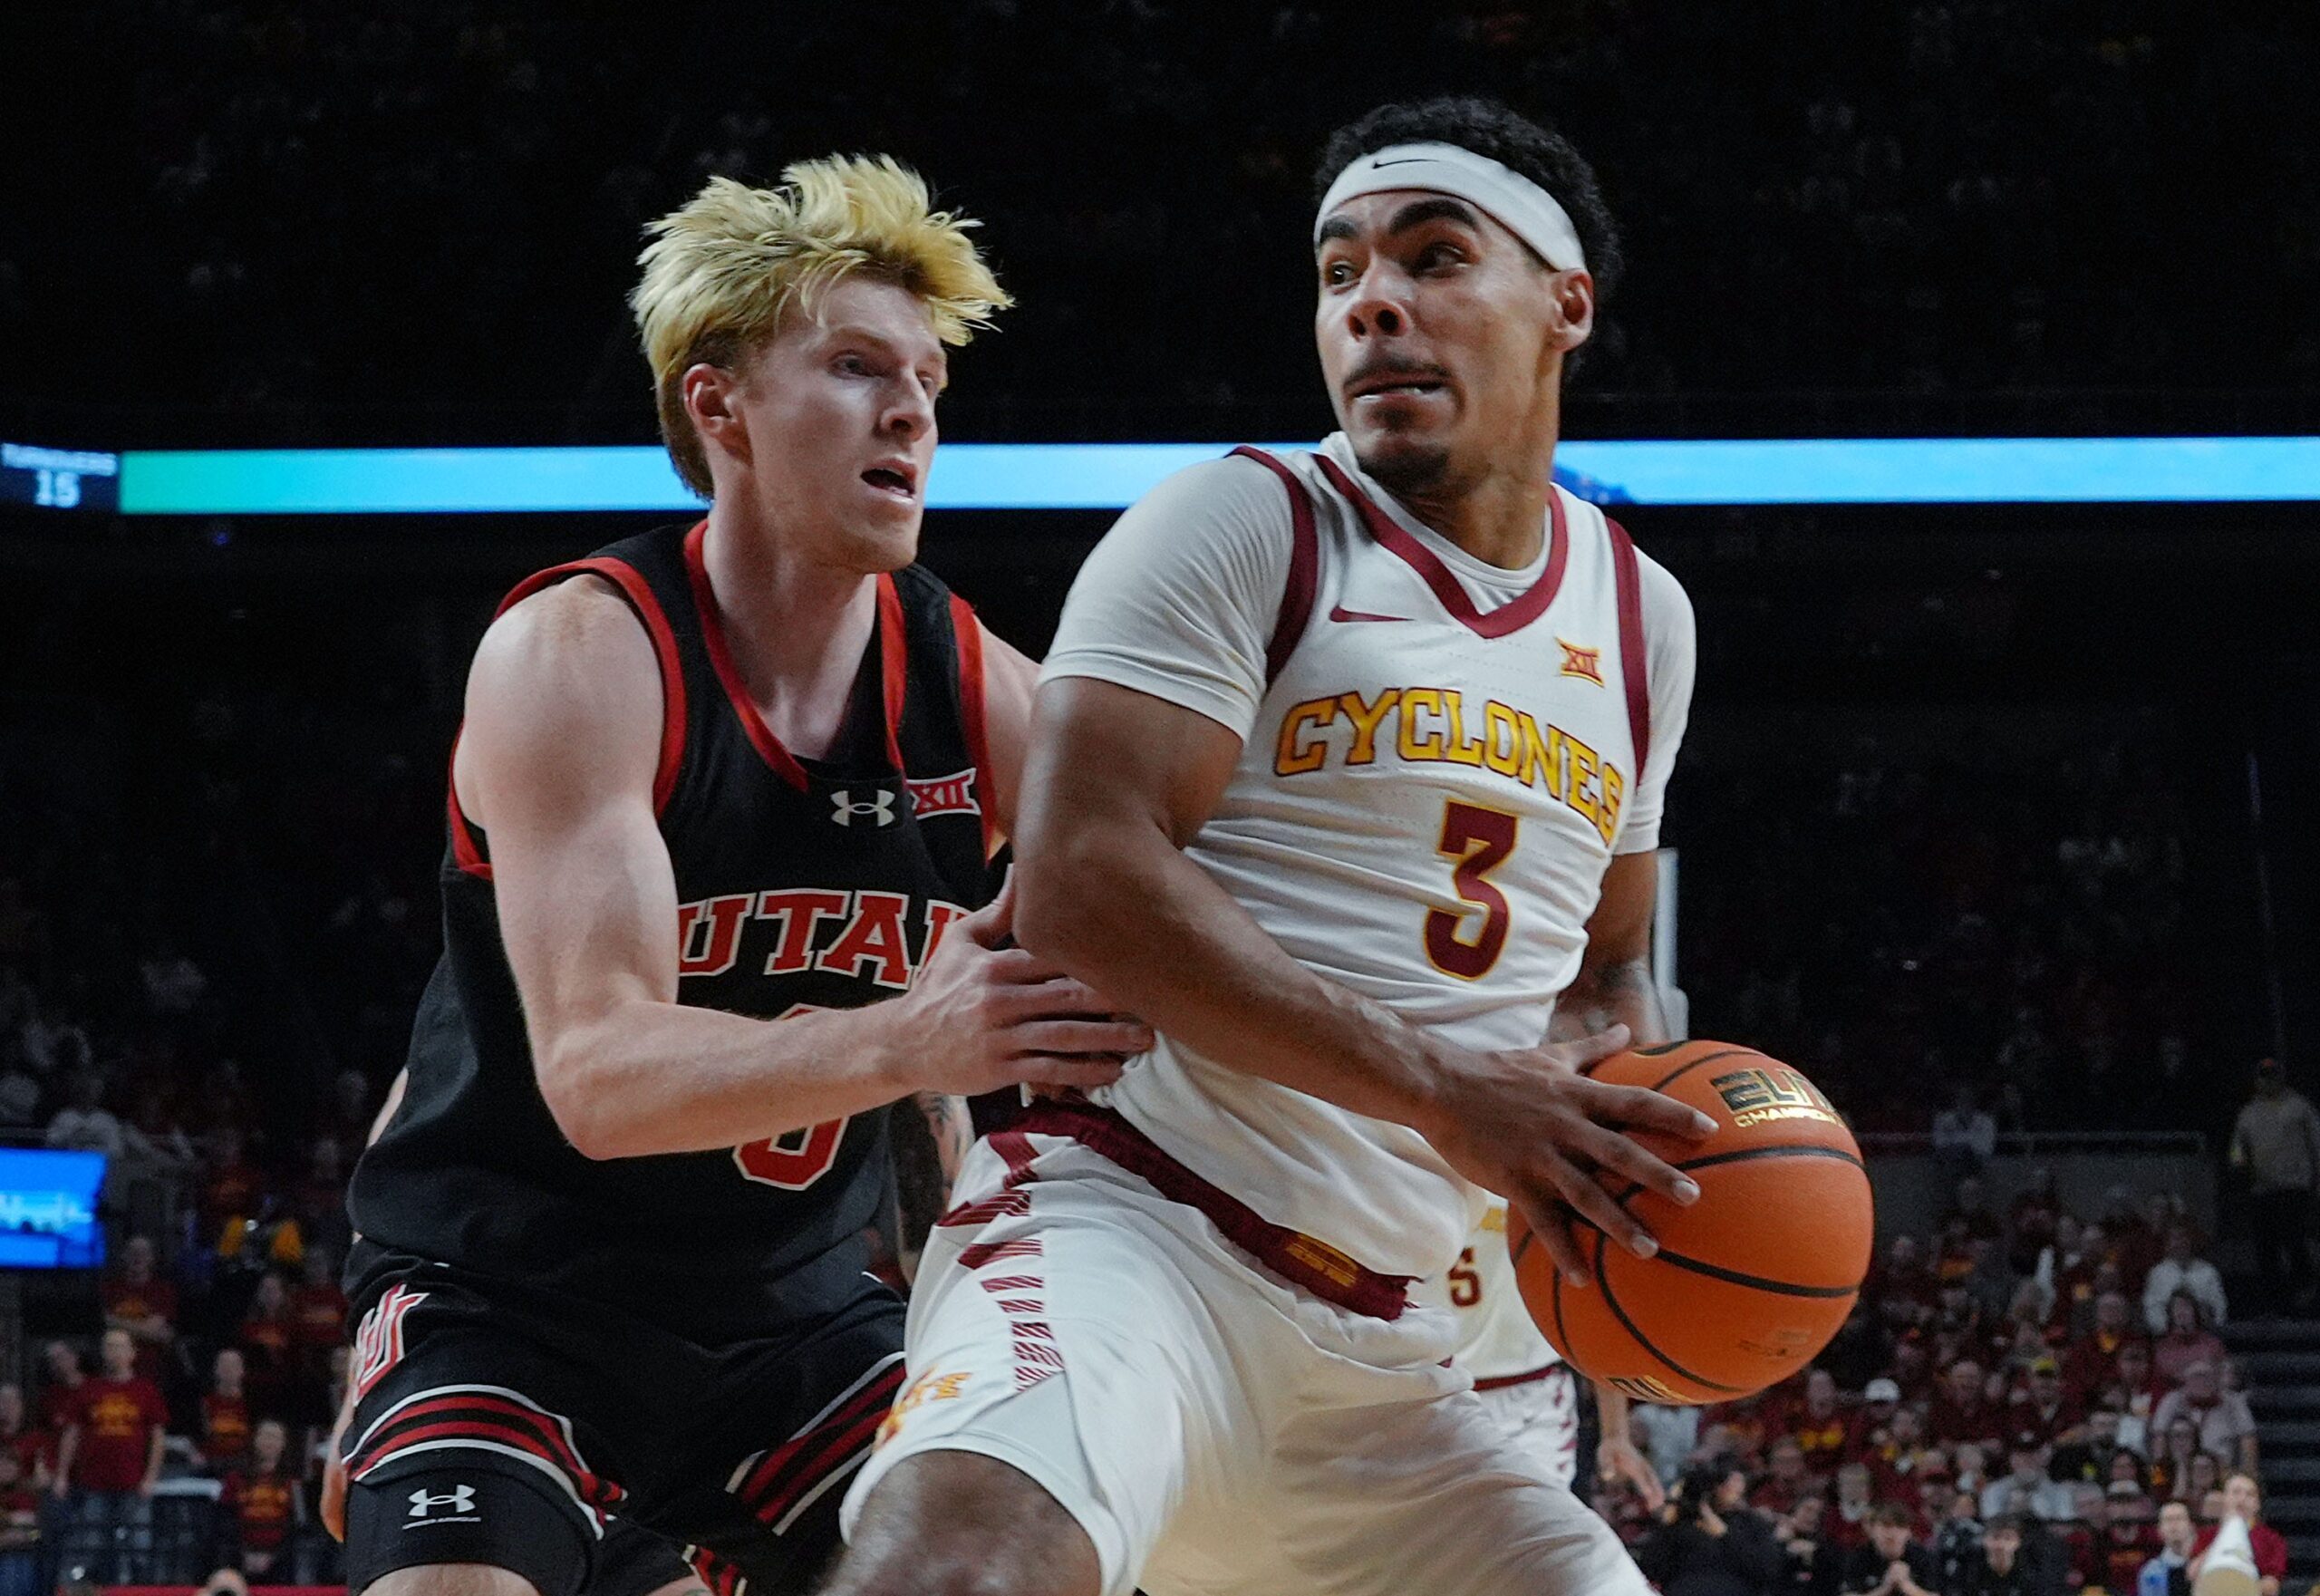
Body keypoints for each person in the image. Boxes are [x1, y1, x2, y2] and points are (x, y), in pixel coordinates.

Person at [833, 93, 1712, 1596]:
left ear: (1566, 305)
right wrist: (1448, 1089)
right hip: (1135, 1234)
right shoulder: (1240, 521)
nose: (1374, 301)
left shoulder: (1643, 620)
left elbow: (1609, 966)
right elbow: (1084, 883)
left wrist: (1641, 1181)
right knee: (960, 1565)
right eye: (1340, 271)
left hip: (1401, 1359)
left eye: (1436, 257)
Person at [332, 155, 1146, 1596]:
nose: (913, 412)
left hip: (792, 1319)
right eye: (856, 367)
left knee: (1006, 1552)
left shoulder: (983, 693)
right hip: (509, 1297)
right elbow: (599, 1077)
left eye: (929, 381)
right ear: (719, 409)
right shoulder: (581, 654)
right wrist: (915, 1040)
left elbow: (1179, 942)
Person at [1412, 1197, 1664, 1506]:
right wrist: (1615, 1432)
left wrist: (1615, 1433)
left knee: (1541, 1525)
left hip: (1527, 1395)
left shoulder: (1540, 1186)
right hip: (1439, 1394)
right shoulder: (1409, 1186)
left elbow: (1590, 1309)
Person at [2229, 1058, 2320, 1312]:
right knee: (2265, 1245)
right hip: (2263, 1188)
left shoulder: (2300, 1107)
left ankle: (2305, 1287)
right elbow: (2237, 1148)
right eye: (2263, 1076)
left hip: (2294, 1186)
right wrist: (2238, 1163)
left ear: (2281, 1077)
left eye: (2272, 1076)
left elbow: (2317, 1143)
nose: (2268, 1082)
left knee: (2294, 1238)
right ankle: (2273, 1300)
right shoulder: (2248, 1113)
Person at [1636, 1465, 1786, 1596]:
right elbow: (1652, 1569)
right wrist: (1668, 1520)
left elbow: (1766, 1569)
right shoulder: (1681, 1524)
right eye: (1724, 1483)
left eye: (1735, 1482)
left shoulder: (1752, 1524)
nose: (1730, 1489)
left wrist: (1725, 1535)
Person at [218, 1418, 302, 1580]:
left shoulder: (293, 1482)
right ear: (254, 1440)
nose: (269, 1442)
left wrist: (274, 1557)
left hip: (281, 1562)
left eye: (275, 1437)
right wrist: (244, 1554)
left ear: (284, 1443)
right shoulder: (235, 1479)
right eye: (265, 1436)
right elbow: (225, 1523)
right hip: (240, 1559)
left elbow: (297, 1528)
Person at [2148, 1362, 2258, 1475]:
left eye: (2206, 1377)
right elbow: (2159, 1438)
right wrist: (2158, 1478)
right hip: (2181, 1471)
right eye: (2196, 1378)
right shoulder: (2172, 1400)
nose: (2202, 1383)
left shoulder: (2233, 1401)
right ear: (2186, 1381)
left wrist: (2249, 1476)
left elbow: (2248, 1437)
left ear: (2217, 1380)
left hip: (2222, 1469)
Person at [2185, 1473, 2285, 1596]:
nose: (2242, 1499)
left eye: (2250, 1494)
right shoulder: (2207, 1535)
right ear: (2224, 1498)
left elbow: (2271, 1586)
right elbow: (2192, 1573)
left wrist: (2236, 1586)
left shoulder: (2272, 1539)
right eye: (2236, 1492)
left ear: (2257, 1504)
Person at [1838, 1504, 1937, 1596]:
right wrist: (1884, 1588)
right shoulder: (1859, 1557)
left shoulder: (1922, 1557)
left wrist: (1907, 1585)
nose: (1892, 1533)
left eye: (1900, 1526)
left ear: (1908, 1532)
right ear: (1872, 1530)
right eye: (1886, 1526)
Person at [2141, 1229, 2227, 1334]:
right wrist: (2164, 1331)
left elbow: (2219, 1306)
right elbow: (2152, 1307)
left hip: (2204, 1334)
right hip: (2168, 1335)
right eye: (2175, 1239)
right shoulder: (2157, 1273)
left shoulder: (2208, 1271)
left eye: (2184, 1238)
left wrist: (2211, 1328)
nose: (2180, 1243)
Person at [2151, 1292, 2226, 1388]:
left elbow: (2222, 1374)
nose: (2182, 1311)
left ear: (2195, 1312)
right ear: (2170, 1314)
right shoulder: (2162, 1347)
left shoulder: (2212, 1344)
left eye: (2186, 1306)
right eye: (2177, 1307)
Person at [1952, 1514, 2039, 1596]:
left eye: (2008, 1538)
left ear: (2018, 1542)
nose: (2001, 1545)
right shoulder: (1969, 1572)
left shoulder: (2029, 1574)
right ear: (1984, 1540)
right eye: (1995, 1537)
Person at [2136, 1498, 2196, 1596]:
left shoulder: (2205, 1564)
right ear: (2159, 1530)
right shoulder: (2150, 1572)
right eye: (2168, 1520)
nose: (2174, 1524)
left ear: (2191, 1526)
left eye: (2179, 1518)